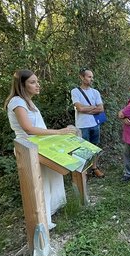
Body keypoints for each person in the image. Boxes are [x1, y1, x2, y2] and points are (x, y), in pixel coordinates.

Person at [5, 69, 78, 230]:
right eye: (32, 82)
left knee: (52, 176)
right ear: (21, 85)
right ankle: (42, 219)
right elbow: (28, 129)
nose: (37, 85)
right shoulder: (17, 102)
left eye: (37, 81)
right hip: (28, 149)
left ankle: (51, 211)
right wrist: (58, 132)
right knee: (40, 183)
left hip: (42, 146)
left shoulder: (28, 101)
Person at [71, 68, 105, 178]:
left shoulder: (95, 92)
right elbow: (79, 108)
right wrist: (93, 107)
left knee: (94, 147)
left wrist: (87, 108)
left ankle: (94, 168)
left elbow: (101, 109)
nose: (92, 79)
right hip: (82, 126)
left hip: (95, 124)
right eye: (89, 77)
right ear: (82, 77)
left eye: (92, 77)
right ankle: (83, 172)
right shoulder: (75, 91)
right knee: (83, 149)